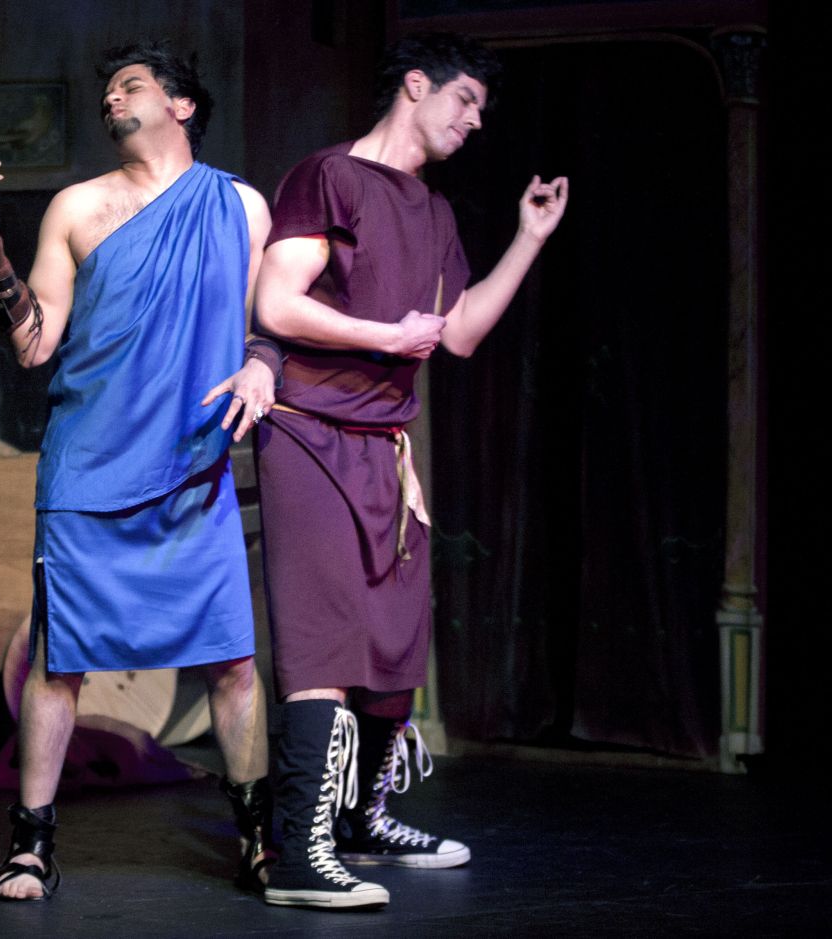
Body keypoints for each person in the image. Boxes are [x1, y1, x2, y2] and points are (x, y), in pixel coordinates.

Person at [0, 40, 280, 902]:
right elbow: (33, 343)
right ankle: (31, 844)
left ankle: (261, 838)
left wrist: (263, 367)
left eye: (130, 85)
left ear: (181, 105)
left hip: (192, 470)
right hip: (90, 469)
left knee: (233, 661)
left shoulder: (239, 206)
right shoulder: (79, 207)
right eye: (106, 90)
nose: (111, 98)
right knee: (60, 661)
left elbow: (266, 322)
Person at [253, 33, 569, 909]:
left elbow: (457, 332)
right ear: (417, 86)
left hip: (385, 446)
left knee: (394, 638)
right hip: (309, 431)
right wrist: (385, 337)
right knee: (322, 638)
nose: (474, 121)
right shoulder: (330, 176)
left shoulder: (433, 211)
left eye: (482, 111)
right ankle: (297, 852)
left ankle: (361, 819)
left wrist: (528, 237)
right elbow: (276, 301)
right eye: (466, 100)